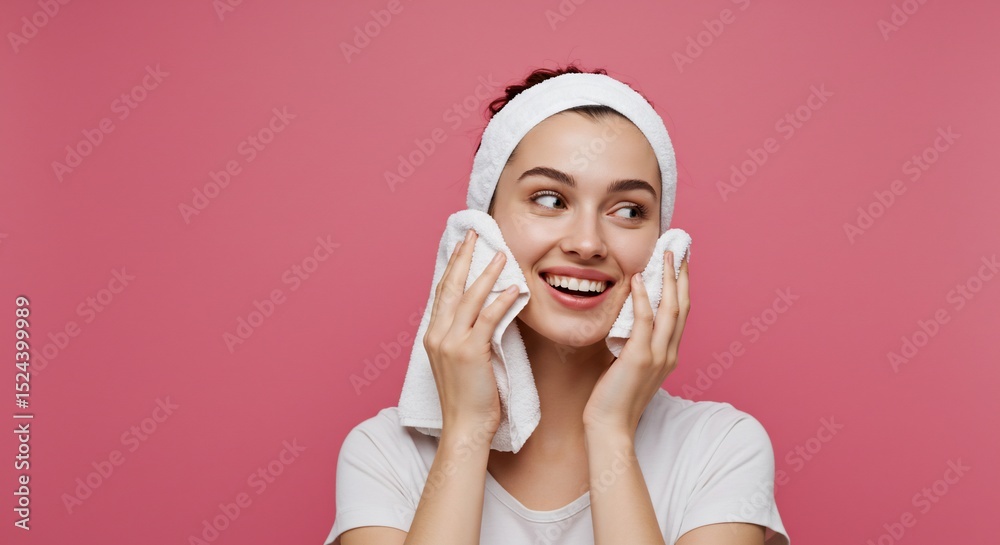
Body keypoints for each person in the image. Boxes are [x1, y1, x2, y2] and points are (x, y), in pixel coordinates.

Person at [324, 64, 790, 545]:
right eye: (550, 200)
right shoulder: (383, 455)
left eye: (628, 210)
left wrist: (610, 431)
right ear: (483, 229)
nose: (587, 243)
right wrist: (466, 432)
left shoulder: (721, 448)